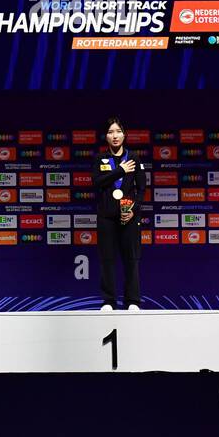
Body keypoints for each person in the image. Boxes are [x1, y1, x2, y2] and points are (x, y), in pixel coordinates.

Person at [93, 118, 147, 311]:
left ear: (124, 134)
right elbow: (97, 182)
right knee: (107, 259)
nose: (114, 136)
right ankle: (108, 301)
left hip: (129, 216)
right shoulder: (100, 159)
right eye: (110, 132)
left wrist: (134, 209)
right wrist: (120, 171)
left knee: (131, 258)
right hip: (106, 216)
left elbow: (141, 189)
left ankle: (133, 300)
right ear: (106, 136)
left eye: (118, 131)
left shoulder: (134, 159)